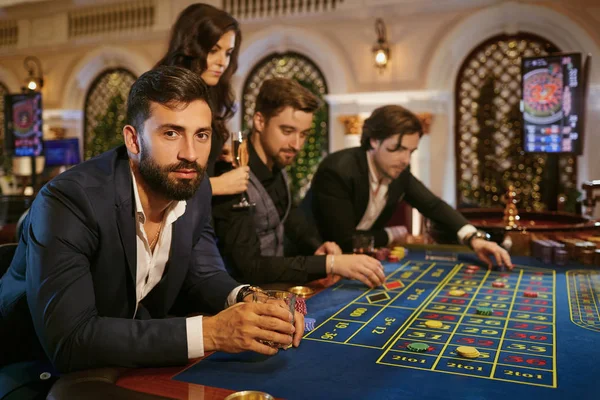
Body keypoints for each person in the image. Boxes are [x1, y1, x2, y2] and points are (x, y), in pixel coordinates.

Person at [0, 67, 303, 374]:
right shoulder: (70, 201)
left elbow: (204, 274)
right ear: (133, 140)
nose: (190, 154)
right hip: (31, 368)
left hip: (124, 357)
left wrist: (247, 296)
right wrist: (212, 332)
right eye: (171, 133)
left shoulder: (191, 191)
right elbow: (70, 341)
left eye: (201, 135)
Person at [212, 78, 386, 287]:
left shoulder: (276, 160)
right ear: (259, 121)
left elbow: (288, 215)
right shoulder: (230, 173)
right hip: (235, 301)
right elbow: (250, 267)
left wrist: (317, 246)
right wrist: (329, 263)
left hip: (273, 291)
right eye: (287, 131)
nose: (296, 145)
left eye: (303, 134)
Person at [304, 105, 513, 269]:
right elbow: (345, 241)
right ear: (374, 141)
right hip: (311, 264)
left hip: (350, 264)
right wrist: (393, 233)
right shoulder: (338, 170)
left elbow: (433, 205)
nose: (405, 160)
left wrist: (474, 238)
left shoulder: (397, 172)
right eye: (398, 149)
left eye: (411, 152)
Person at [155, 3, 249, 197]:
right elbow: (156, 179)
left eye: (228, 53)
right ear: (190, 47)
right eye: (214, 50)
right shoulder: (165, 95)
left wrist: (218, 153)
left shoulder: (208, 93)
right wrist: (217, 185)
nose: (223, 62)